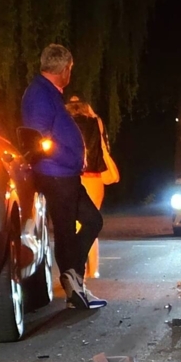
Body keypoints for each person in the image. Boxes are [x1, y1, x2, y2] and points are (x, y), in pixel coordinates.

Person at [22, 44, 106, 309]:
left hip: (65, 173)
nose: (71, 74)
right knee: (68, 230)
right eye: (70, 69)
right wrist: (66, 156)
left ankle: (74, 280)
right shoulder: (40, 95)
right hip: (56, 174)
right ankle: (74, 286)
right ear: (65, 69)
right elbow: (38, 139)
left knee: (90, 221)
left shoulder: (49, 93)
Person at [66, 95, 119, 280]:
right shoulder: (96, 122)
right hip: (94, 176)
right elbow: (103, 147)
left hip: (70, 176)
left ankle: (73, 267)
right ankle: (92, 269)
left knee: (71, 222)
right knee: (91, 221)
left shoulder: (63, 122)